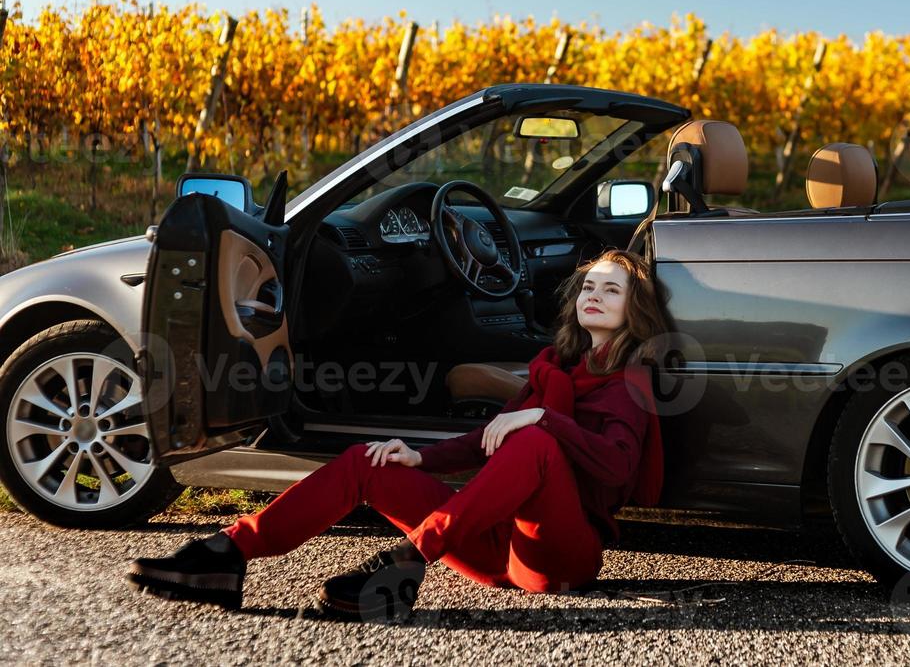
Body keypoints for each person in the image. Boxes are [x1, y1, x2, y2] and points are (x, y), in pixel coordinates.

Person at [125, 248, 668, 622]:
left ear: (633, 307)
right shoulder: (556, 364)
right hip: (491, 544)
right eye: (587, 286)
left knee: (534, 440)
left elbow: (617, 466)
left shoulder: (630, 379)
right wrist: (419, 459)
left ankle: (404, 566)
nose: (593, 295)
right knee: (370, 460)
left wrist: (542, 419)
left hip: (558, 558)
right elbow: (488, 439)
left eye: (611, 289)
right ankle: (228, 554)